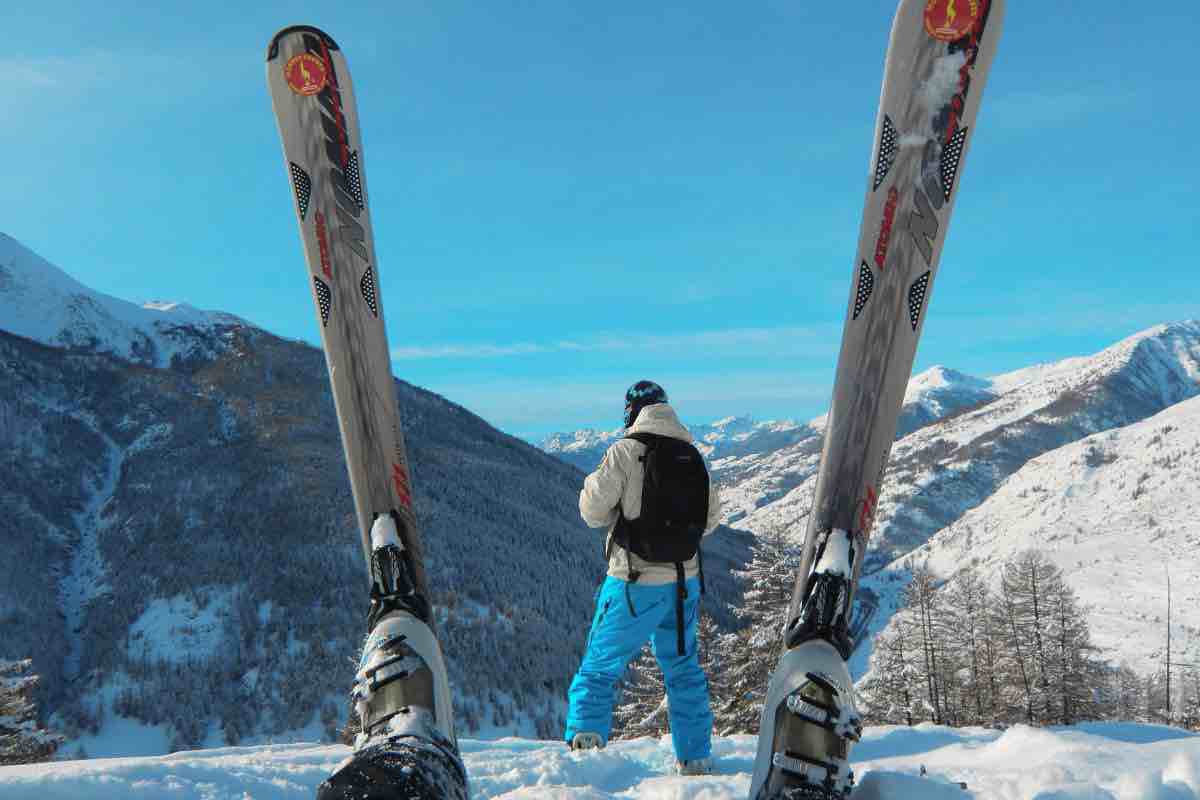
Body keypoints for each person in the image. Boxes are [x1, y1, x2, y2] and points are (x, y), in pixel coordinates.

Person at [564, 380, 722, 776]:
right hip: (684, 582)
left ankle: (586, 755)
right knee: (683, 668)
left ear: (631, 412)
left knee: (600, 665)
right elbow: (711, 518)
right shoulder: (692, 455)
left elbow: (591, 511)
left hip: (633, 581)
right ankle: (696, 758)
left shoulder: (624, 452)